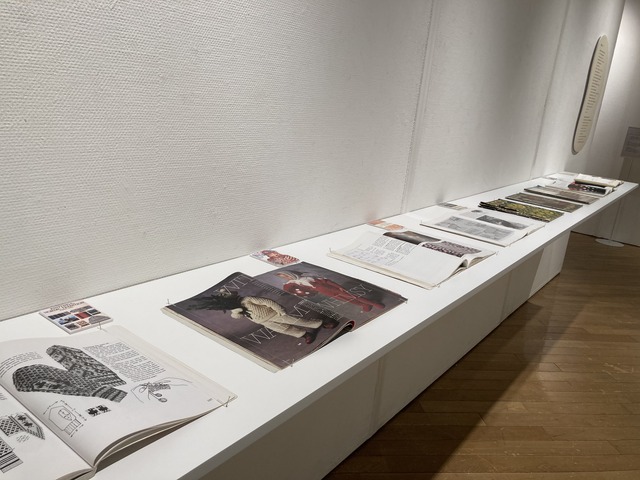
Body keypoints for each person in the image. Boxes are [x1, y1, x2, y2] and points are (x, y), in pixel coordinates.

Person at [188, 290, 337, 344]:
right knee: (283, 329)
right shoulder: (237, 309)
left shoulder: (247, 299)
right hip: (264, 321)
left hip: (274, 313)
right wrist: (236, 312)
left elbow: (267, 302)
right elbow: (237, 317)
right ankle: (303, 334)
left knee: (296, 320)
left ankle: (320, 323)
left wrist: (280, 310)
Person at [275, 271, 384, 313]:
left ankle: (373, 302)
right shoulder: (291, 283)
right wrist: (288, 285)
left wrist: (338, 287)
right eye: (283, 277)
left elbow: (326, 281)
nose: (286, 278)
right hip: (325, 292)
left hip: (331, 288)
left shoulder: (307, 277)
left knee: (352, 295)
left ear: (289, 273)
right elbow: (289, 289)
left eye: (286, 275)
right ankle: (364, 304)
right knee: (345, 299)